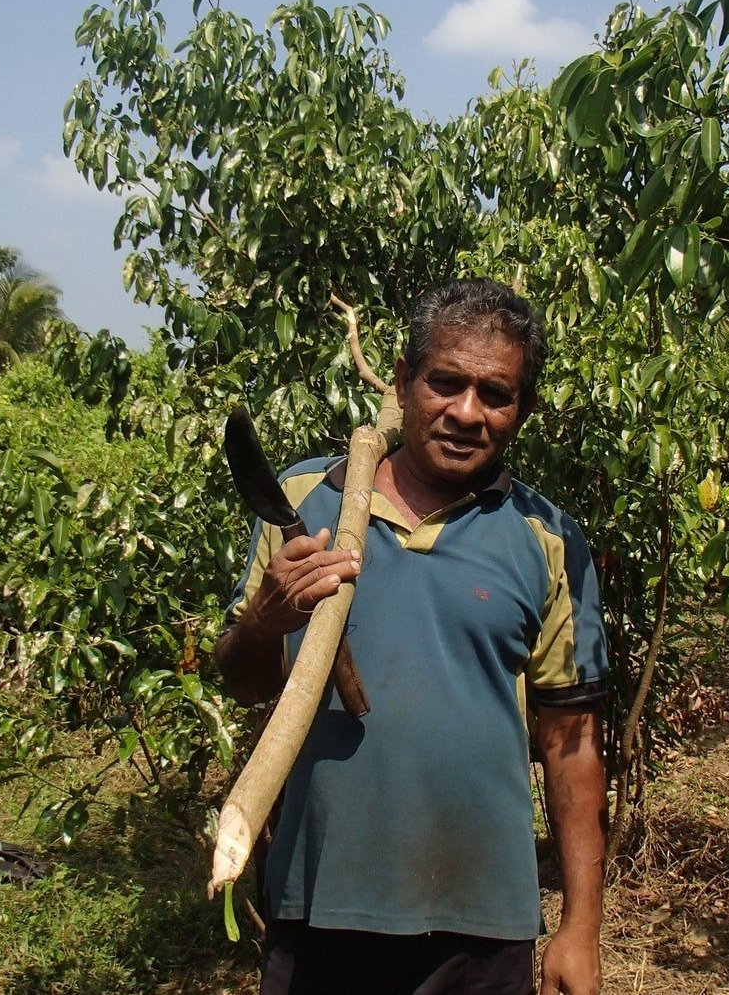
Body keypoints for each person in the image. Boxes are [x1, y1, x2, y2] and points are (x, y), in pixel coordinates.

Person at [216, 278, 609, 995]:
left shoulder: (548, 539)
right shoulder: (306, 500)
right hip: (320, 907)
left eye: (496, 394)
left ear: (523, 409)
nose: (467, 412)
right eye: (446, 382)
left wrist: (580, 925)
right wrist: (265, 619)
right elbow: (243, 681)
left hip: (483, 926)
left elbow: (571, 741)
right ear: (401, 381)